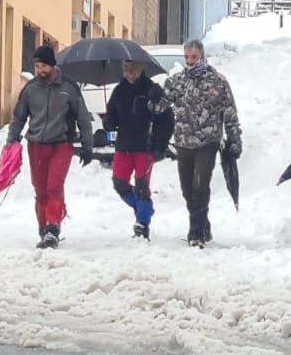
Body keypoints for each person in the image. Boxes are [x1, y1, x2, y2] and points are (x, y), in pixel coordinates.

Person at [6, 44, 92, 249]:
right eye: (37, 66)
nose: (40, 70)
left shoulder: (69, 87)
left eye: (44, 65)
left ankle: (53, 228)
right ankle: (44, 228)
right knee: (41, 189)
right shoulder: (30, 89)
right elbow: (19, 117)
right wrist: (11, 140)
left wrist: (88, 145)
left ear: (53, 65)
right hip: (36, 144)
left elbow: (83, 117)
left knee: (54, 185)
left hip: (62, 143)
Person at [162, 39, 242, 247]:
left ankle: (195, 231)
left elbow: (230, 113)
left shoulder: (217, 81)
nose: (190, 62)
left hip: (208, 141)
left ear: (202, 56)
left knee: (200, 184)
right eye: (187, 57)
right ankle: (203, 224)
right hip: (183, 141)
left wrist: (234, 140)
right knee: (187, 188)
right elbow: (159, 107)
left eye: (194, 57)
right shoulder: (176, 81)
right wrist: (154, 97)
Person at [102, 59, 175, 239]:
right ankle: (144, 209)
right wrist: (108, 122)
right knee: (119, 183)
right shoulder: (119, 91)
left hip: (145, 147)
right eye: (126, 68)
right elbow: (112, 116)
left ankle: (142, 225)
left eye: (133, 68)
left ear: (141, 68)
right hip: (124, 146)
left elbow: (166, 120)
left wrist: (160, 145)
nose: (129, 72)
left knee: (142, 186)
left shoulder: (152, 90)